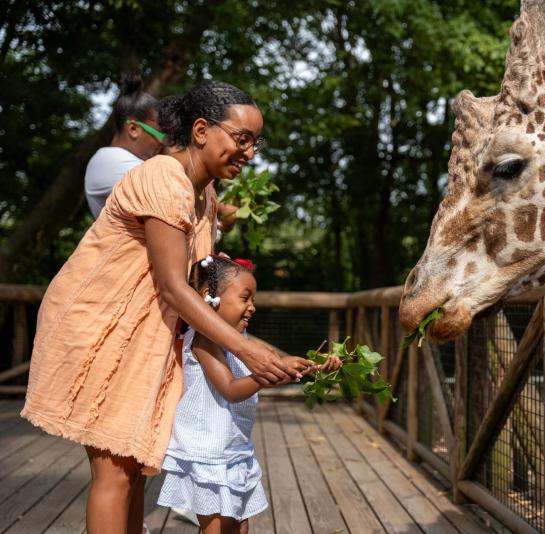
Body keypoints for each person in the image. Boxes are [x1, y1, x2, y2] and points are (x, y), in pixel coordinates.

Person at [21, 80, 307, 534]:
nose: (250, 152)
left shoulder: (206, 195)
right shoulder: (162, 177)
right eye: (242, 138)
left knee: (136, 463)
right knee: (115, 470)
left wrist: (266, 352)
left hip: (150, 332)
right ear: (200, 130)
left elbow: (206, 289)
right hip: (100, 327)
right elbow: (175, 288)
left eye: (256, 141)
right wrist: (249, 353)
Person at [158, 255, 340, 533]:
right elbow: (230, 390)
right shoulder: (205, 339)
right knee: (217, 528)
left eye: (253, 299)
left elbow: (274, 370)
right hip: (208, 451)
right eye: (245, 298)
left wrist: (318, 367)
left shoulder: (242, 340)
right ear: (210, 296)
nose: (252, 307)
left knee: (238, 527)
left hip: (233, 448)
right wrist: (262, 377)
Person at [84, 73, 164, 218]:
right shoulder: (108, 160)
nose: (163, 142)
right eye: (160, 134)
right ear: (133, 129)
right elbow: (172, 189)